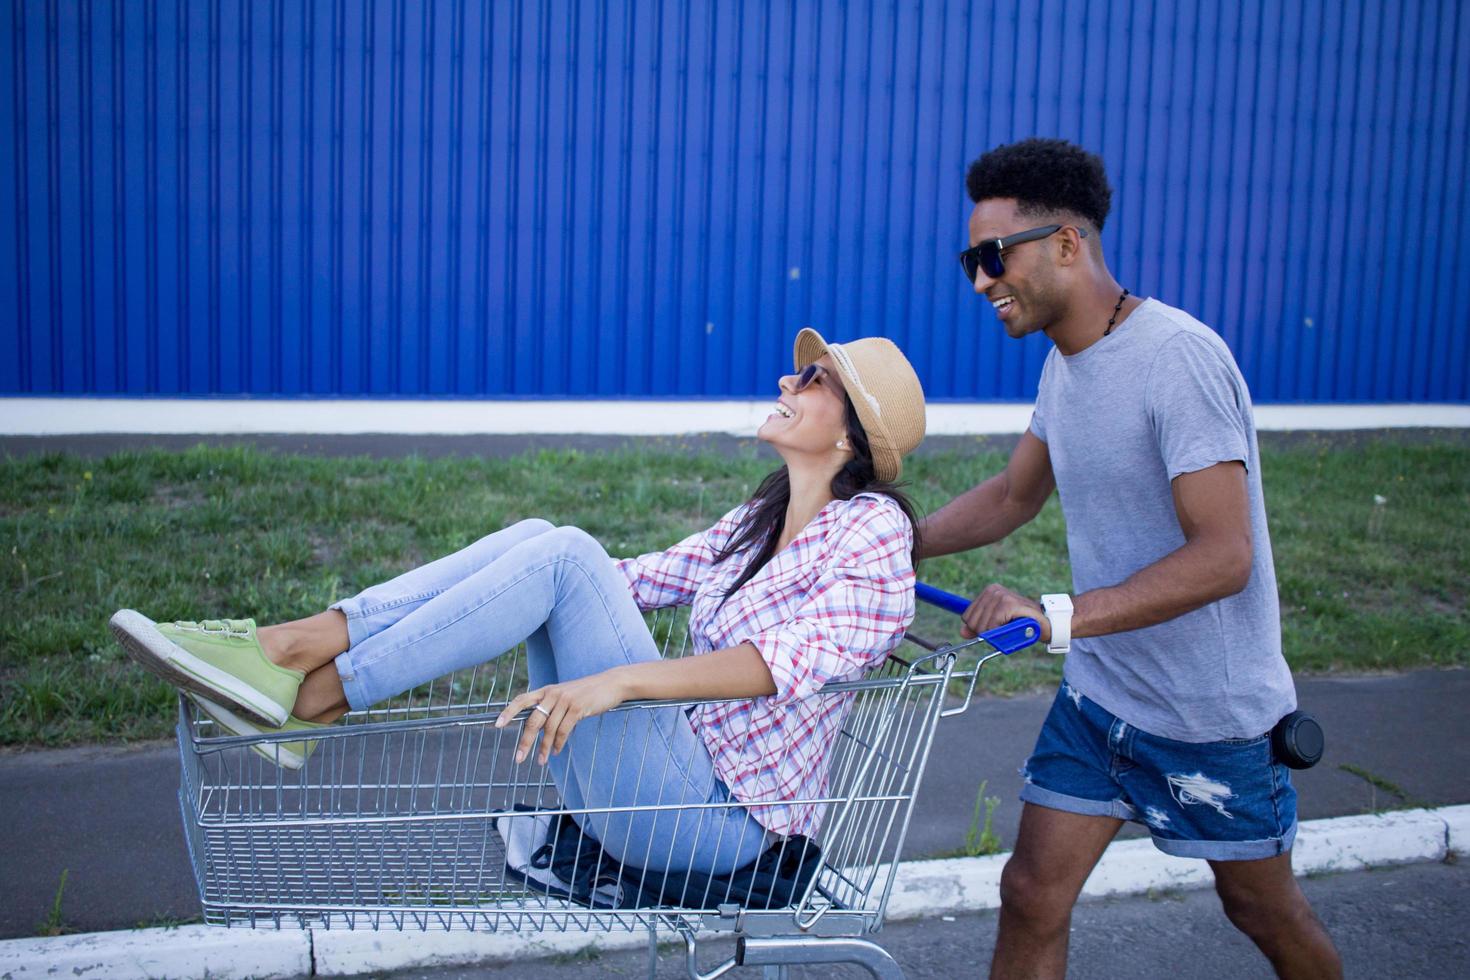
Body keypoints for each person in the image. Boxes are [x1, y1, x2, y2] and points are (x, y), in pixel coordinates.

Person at [110, 327, 927, 880]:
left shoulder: (873, 534)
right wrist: (510, 571)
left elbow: (783, 664)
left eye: (813, 379)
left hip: (716, 820)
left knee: (560, 553)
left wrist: (617, 683)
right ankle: (292, 651)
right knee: (547, 537)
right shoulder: (760, 518)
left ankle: (308, 690)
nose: (787, 378)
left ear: (850, 434)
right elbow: (627, 579)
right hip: (654, 777)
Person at [923, 138, 1341, 979]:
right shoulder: (1065, 365)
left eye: (994, 256)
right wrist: (884, 541)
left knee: (1260, 908)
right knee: (1031, 893)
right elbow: (1013, 497)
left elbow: (1226, 557)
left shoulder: (1176, 360)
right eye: (972, 259)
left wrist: (1059, 618)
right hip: (1101, 700)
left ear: (1067, 244)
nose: (980, 280)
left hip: (1208, 718)